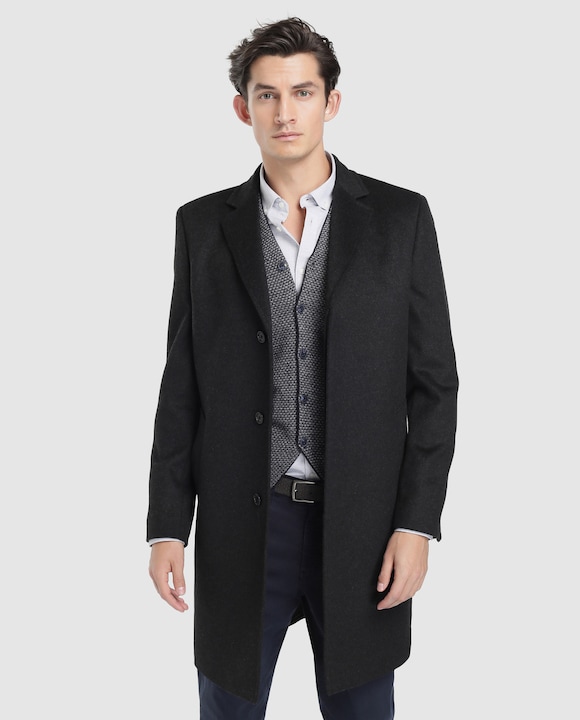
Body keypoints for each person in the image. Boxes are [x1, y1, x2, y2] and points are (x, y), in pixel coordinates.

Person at [147, 16, 458, 720]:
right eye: (267, 95)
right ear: (243, 108)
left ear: (331, 102)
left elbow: (435, 386)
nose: (285, 112)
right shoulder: (202, 226)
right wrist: (167, 525)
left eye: (302, 92)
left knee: (362, 709)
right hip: (241, 520)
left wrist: (417, 524)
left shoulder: (401, 219)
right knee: (228, 708)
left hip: (365, 526)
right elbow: (181, 388)